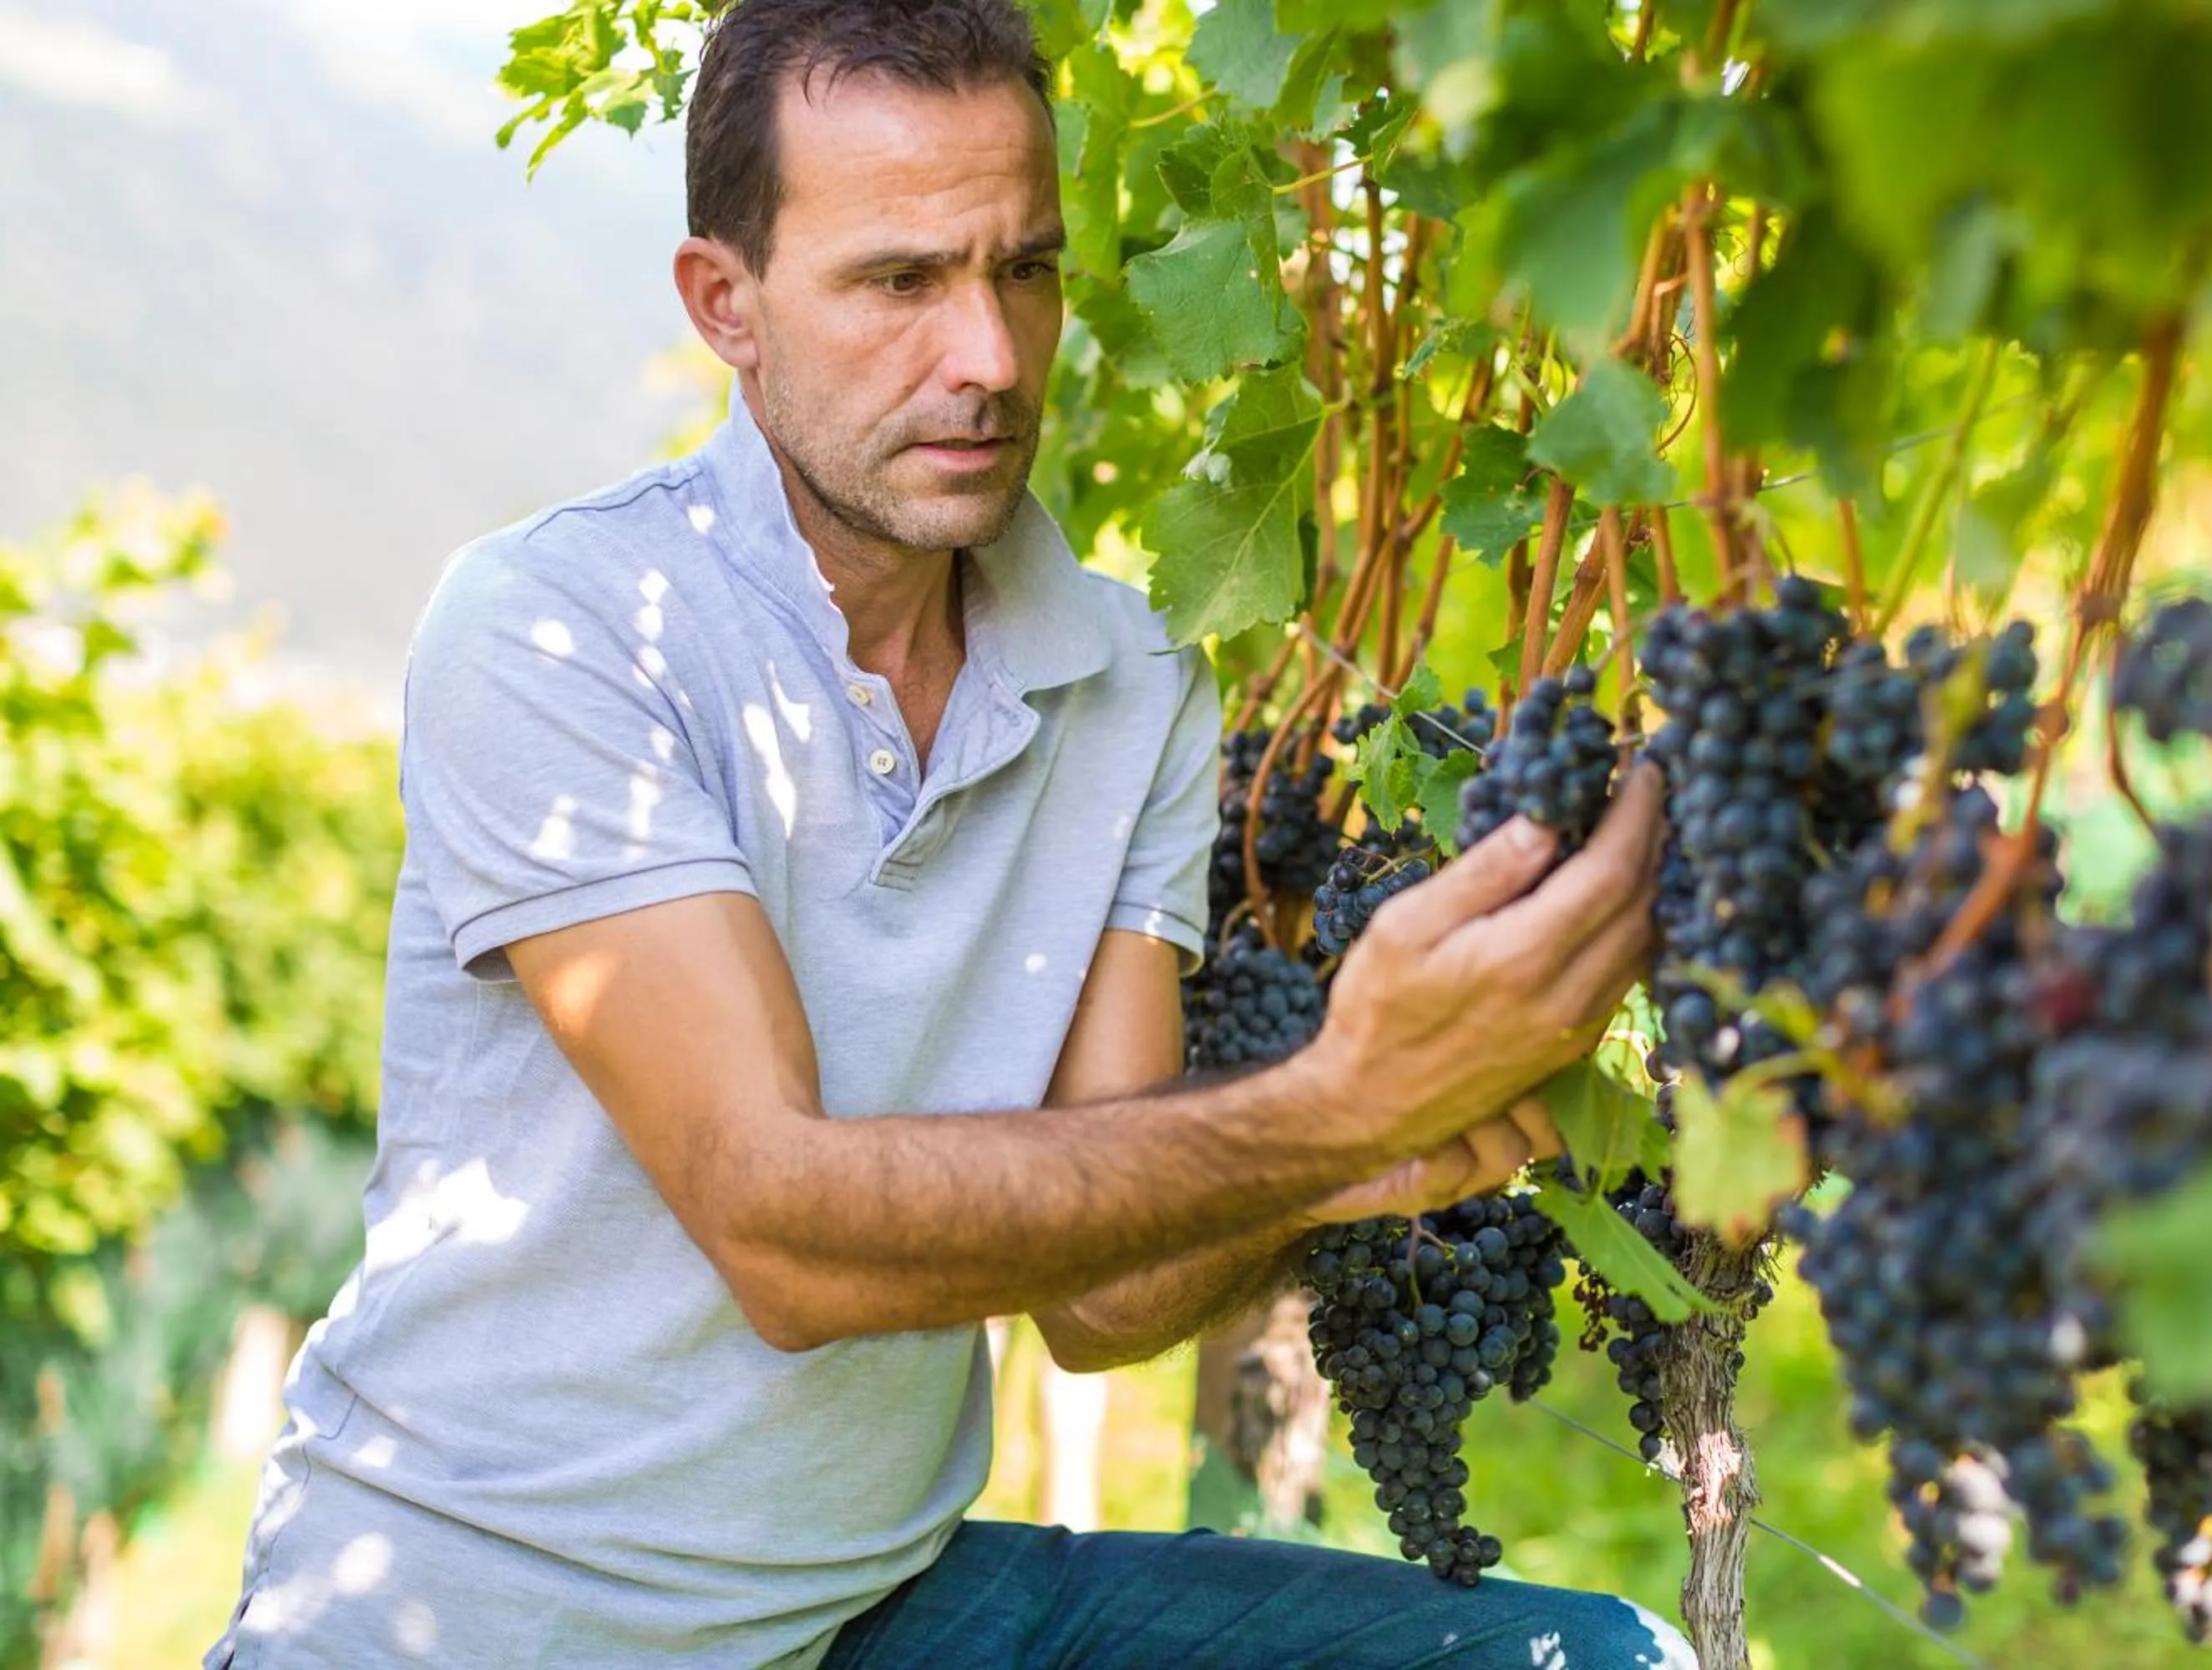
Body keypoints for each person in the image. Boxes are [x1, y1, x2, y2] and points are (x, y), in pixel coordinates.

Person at [206, 2, 1691, 1665]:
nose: (988, 355)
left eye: (1025, 271)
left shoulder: (1132, 681)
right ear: (725, 303)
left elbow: (1107, 1301)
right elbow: (780, 1230)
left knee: (1602, 1657)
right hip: (472, 1622)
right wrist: (1333, 1098)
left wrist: (1374, 1144)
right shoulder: (561, 627)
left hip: (870, 1608)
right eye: (902, 281)